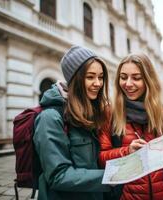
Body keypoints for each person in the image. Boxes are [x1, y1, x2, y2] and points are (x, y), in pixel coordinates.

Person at [98, 53, 163, 200]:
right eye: (123, 77)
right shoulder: (110, 113)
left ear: (148, 80)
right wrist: (127, 151)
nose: (128, 84)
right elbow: (100, 158)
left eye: (136, 78)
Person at [33, 46, 111, 200]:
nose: (98, 83)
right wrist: (110, 177)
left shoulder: (89, 112)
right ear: (75, 79)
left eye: (101, 77)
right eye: (90, 77)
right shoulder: (50, 118)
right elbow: (58, 175)